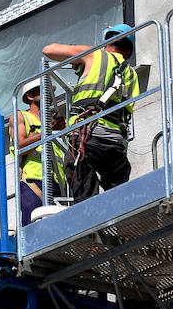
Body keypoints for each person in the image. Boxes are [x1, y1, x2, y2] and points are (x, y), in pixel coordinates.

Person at [42, 24, 140, 203]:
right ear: (127, 52)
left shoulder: (94, 54)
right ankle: (119, 215)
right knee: (118, 185)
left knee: (80, 178)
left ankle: (87, 221)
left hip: (87, 136)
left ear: (106, 43)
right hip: (115, 143)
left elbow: (48, 50)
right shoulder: (132, 74)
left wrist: (79, 57)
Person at [9, 79, 66, 225]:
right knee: (33, 225)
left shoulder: (51, 120)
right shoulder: (20, 116)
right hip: (33, 181)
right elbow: (20, 147)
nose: (48, 94)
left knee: (59, 227)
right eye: (43, 90)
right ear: (30, 96)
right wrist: (47, 132)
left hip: (58, 181)